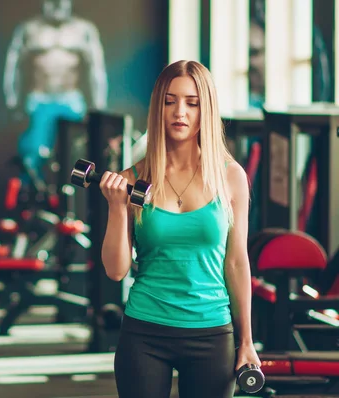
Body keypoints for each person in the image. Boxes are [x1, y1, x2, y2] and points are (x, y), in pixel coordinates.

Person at [99, 60, 261, 398]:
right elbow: (116, 272)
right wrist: (116, 207)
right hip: (145, 332)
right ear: (158, 107)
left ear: (207, 109)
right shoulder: (133, 180)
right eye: (170, 101)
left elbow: (236, 263)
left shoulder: (230, 178)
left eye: (192, 102)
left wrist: (246, 341)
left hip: (211, 331)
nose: (180, 112)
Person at [3, 0, 108, 183]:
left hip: (71, 100)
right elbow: (14, 66)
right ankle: (33, 201)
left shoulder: (83, 30)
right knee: (33, 154)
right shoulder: (29, 29)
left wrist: (98, 105)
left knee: (78, 155)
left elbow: (96, 70)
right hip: (39, 99)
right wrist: (12, 100)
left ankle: (74, 202)